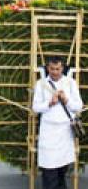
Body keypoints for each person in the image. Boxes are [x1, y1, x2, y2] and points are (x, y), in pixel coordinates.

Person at [32, 55, 83, 189]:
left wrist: (66, 100)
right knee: (49, 170)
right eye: (52, 69)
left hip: (65, 132)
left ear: (62, 68)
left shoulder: (70, 83)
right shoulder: (41, 84)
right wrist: (50, 103)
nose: (55, 72)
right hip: (48, 131)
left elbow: (78, 106)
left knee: (62, 170)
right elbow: (35, 107)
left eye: (58, 69)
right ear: (47, 68)